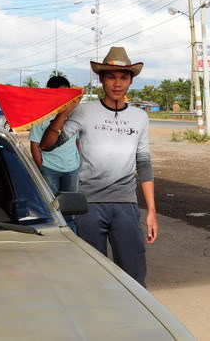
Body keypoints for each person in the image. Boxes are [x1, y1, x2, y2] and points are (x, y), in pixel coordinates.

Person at [39, 47, 158, 287]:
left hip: (126, 204)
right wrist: (63, 114)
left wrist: (152, 211)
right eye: (111, 77)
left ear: (131, 81)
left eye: (124, 77)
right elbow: (47, 145)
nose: (117, 84)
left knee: (134, 273)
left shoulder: (140, 117)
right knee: (92, 273)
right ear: (101, 78)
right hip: (90, 205)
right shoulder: (85, 111)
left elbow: (143, 163)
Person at [29, 75, 81, 232]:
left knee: (70, 209)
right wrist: (42, 168)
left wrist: (78, 161)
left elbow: (77, 141)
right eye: (59, 94)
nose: (63, 99)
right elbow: (34, 146)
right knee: (52, 206)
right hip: (50, 169)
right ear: (50, 94)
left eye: (66, 95)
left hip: (72, 169)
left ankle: (71, 235)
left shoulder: (73, 116)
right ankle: (54, 233)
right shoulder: (41, 117)